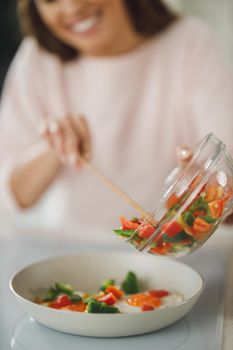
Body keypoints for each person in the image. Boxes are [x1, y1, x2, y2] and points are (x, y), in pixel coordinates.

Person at [0, 0, 232, 242]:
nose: (71, 8)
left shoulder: (191, 42)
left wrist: (207, 190)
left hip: (176, 254)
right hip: (67, 252)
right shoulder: (37, 57)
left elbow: (228, 178)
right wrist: (53, 148)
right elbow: (10, 198)